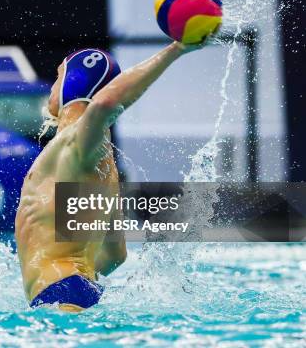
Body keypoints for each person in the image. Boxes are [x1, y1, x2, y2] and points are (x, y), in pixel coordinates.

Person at [15, 42, 205, 311]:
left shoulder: (77, 141)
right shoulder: (102, 159)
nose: (51, 87)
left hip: (61, 294)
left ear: (72, 80)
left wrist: (176, 48)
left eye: (58, 77)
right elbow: (117, 254)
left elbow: (105, 103)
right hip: (76, 289)